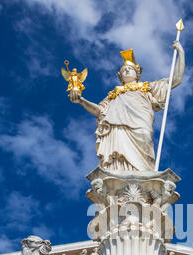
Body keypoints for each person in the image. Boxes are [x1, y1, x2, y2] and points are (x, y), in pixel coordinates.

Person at [69, 42, 185, 171]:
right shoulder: (114, 95)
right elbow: (99, 111)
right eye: (124, 70)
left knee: (144, 137)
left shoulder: (147, 87)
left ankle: (144, 174)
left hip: (140, 122)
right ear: (120, 76)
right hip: (117, 127)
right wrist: (81, 100)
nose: (127, 70)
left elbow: (176, 79)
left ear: (137, 74)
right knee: (117, 156)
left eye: (130, 69)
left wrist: (181, 52)